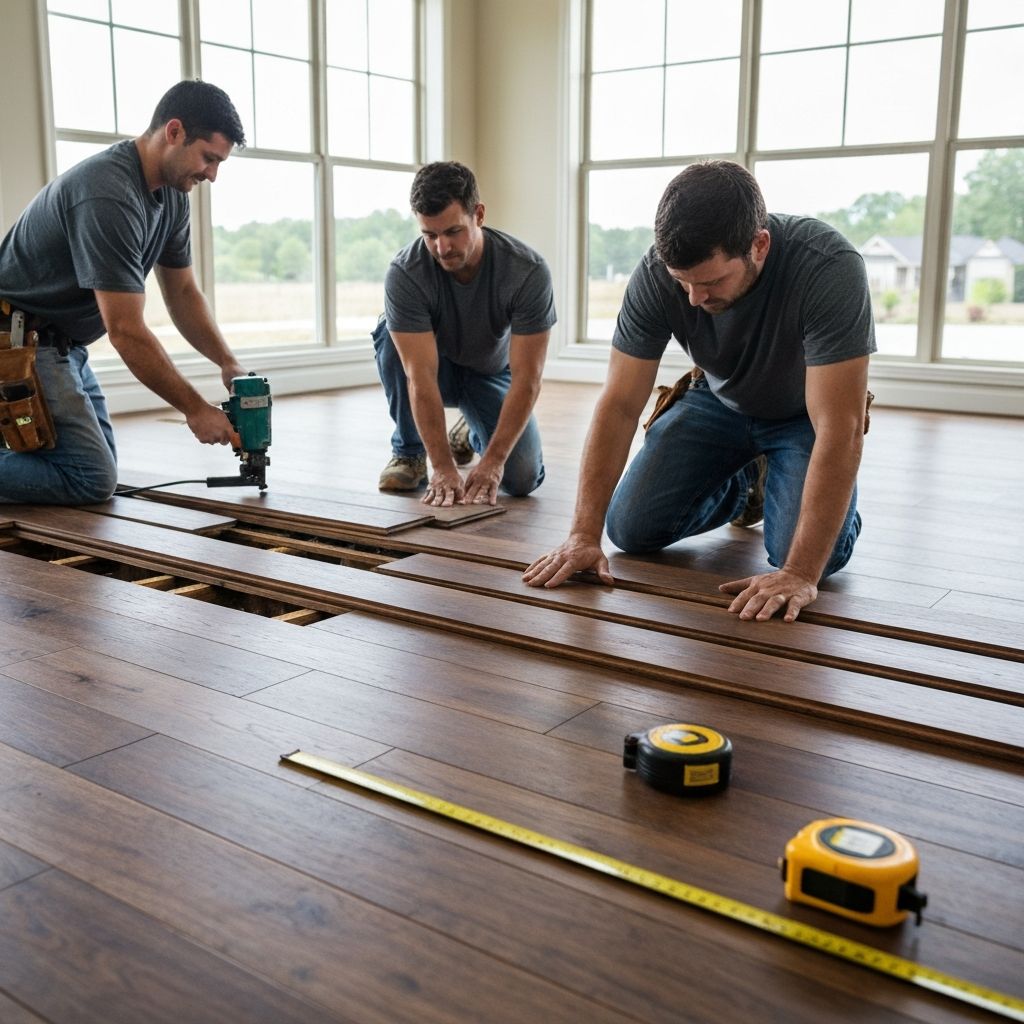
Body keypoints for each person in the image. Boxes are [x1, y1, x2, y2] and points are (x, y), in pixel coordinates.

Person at [523, 160, 875, 622]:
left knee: (811, 556)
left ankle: (796, 486)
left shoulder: (828, 267)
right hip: (718, 401)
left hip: (802, 417)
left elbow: (840, 427)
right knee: (629, 528)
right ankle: (747, 484)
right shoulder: (654, 275)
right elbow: (620, 404)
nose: (693, 299)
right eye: (682, 282)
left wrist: (800, 572)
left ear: (760, 246)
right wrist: (583, 535)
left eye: (710, 282)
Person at [0, 79, 249, 506]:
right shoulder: (108, 194)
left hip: (62, 345)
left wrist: (227, 362)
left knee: (97, 469)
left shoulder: (172, 196)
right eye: (209, 158)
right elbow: (126, 331)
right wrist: (194, 408)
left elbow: (184, 292)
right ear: (173, 132)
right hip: (19, 340)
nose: (212, 175)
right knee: (90, 478)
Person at [374, 161, 556, 506]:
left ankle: (471, 433)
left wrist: (493, 462)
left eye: (453, 232)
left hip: (490, 373)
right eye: (430, 235)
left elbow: (527, 379)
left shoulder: (527, 271)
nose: (442, 248)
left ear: (480, 215)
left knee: (521, 478)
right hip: (436, 372)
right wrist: (441, 467)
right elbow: (419, 376)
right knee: (389, 336)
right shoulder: (405, 272)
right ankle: (410, 452)